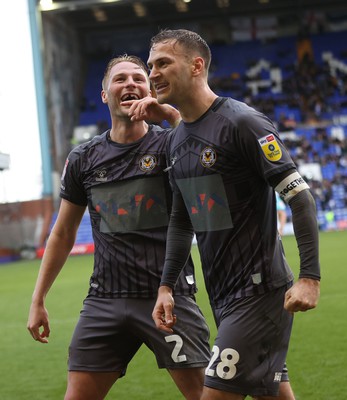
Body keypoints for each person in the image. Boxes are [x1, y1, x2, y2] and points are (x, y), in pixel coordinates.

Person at [145, 29, 320, 400]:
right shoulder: (175, 141)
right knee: (272, 393)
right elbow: (181, 220)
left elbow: (301, 198)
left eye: (163, 63)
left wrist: (309, 278)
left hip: (260, 292)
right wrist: (165, 286)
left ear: (196, 66)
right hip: (222, 295)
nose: (153, 74)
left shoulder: (243, 123)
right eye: (150, 66)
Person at [27, 54, 211, 400]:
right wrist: (38, 299)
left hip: (168, 297)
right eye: (120, 79)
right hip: (105, 300)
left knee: (206, 396)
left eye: (139, 79)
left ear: (151, 90)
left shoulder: (170, 143)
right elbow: (64, 233)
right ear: (104, 95)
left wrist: (170, 115)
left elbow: (207, 150)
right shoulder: (83, 158)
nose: (131, 84)